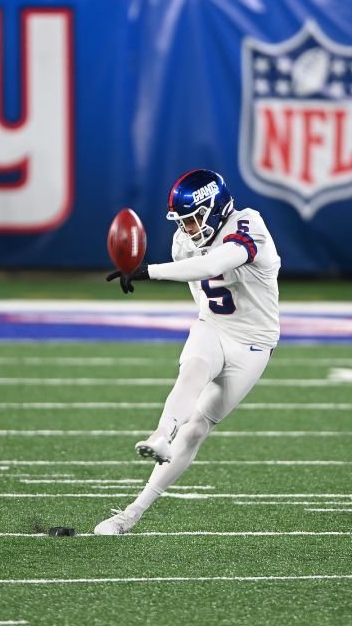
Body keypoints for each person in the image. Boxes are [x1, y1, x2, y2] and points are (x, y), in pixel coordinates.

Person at [94, 169, 281, 535]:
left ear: (214, 208)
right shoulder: (184, 240)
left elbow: (214, 265)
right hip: (213, 326)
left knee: (196, 429)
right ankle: (159, 438)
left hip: (254, 343)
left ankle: (137, 508)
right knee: (193, 368)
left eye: (194, 218)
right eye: (185, 221)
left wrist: (150, 271)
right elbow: (203, 297)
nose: (190, 228)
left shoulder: (249, 223)